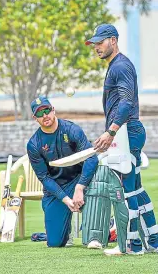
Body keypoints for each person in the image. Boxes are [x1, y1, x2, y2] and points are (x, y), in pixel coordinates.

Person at [86, 23, 158, 255]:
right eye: (94, 44)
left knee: (127, 192)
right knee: (136, 189)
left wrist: (111, 131)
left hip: (127, 132)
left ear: (113, 41)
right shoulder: (117, 65)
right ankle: (154, 241)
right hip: (129, 131)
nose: (96, 47)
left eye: (100, 42)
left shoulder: (120, 66)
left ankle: (132, 245)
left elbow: (126, 102)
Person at [27, 96, 99, 247]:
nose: (45, 115)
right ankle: (66, 231)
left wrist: (80, 188)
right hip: (56, 188)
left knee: (98, 180)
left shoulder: (72, 130)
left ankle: (97, 231)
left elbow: (91, 158)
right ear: (35, 118)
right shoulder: (34, 144)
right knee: (55, 242)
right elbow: (44, 177)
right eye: (40, 113)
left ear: (53, 110)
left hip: (79, 180)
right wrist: (65, 199)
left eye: (47, 110)